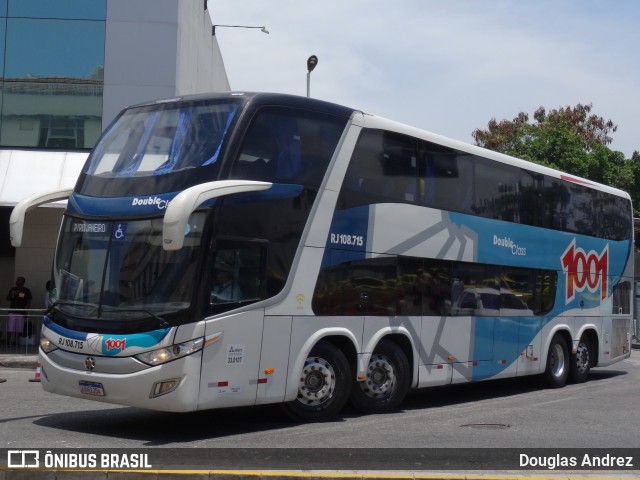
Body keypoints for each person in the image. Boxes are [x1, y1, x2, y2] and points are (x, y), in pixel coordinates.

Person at [6, 276, 32, 347]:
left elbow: (29, 301)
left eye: (18, 280)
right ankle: (8, 342)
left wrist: (27, 311)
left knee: (18, 328)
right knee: (10, 328)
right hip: (12, 311)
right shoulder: (13, 289)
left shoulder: (26, 291)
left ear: (22, 282)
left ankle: (16, 342)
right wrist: (11, 296)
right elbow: (7, 298)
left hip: (21, 312)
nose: (16, 281)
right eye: (17, 280)